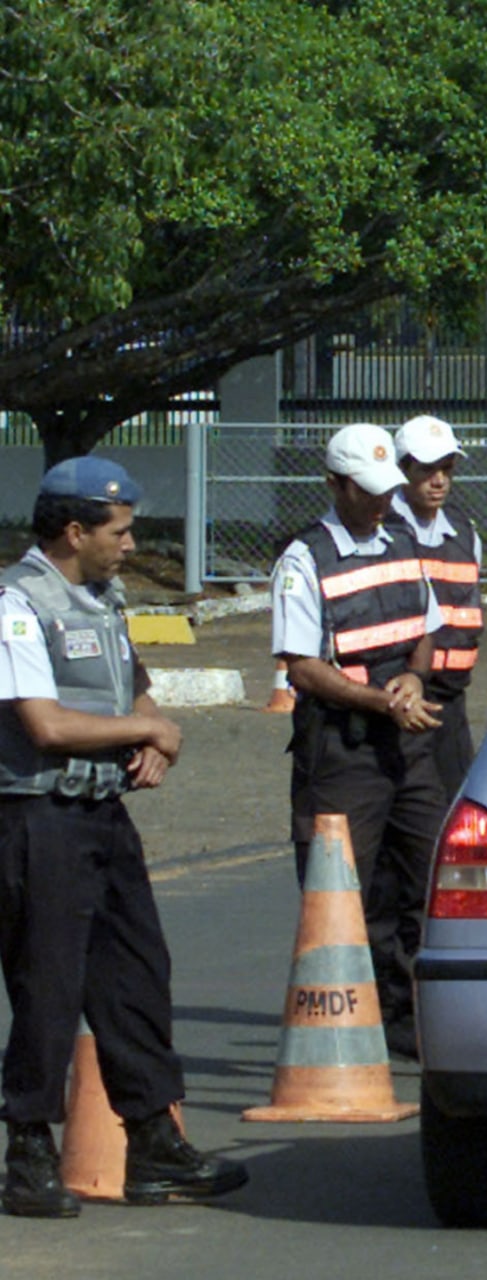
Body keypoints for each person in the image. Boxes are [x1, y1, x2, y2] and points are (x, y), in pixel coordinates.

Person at [0, 458, 247, 1218]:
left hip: (103, 813)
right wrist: (147, 725)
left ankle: (152, 1141)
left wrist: (152, 730)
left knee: (136, 975)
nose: (133, 544)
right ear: (75, 531)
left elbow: (130, 679)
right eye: (121, 530)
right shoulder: (17, 604)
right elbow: (44, 725)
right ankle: (28, 1153)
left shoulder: (101, 598)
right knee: (49, 988)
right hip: (39, 819)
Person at [270, 423, 444, 1061]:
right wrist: (381, 701)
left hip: (408, 741)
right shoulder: (303, 559)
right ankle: (357, 1022)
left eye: (385, 490)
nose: (381, 502)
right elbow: (302, 667)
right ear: (335, 485)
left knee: (434, 878)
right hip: (343, 749)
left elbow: (425, 629)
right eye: (367, 491)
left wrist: (412, 676)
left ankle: (416, 1013)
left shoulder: (402, 538)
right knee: (347, 892)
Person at [389, 415, 483, 801]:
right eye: (427, 470)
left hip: (450, 705)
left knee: (456, 813)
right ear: (402, 470)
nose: (439, 480)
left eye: (446, 469)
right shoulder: (383, 531)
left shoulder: (464, 532)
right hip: (398, 703)